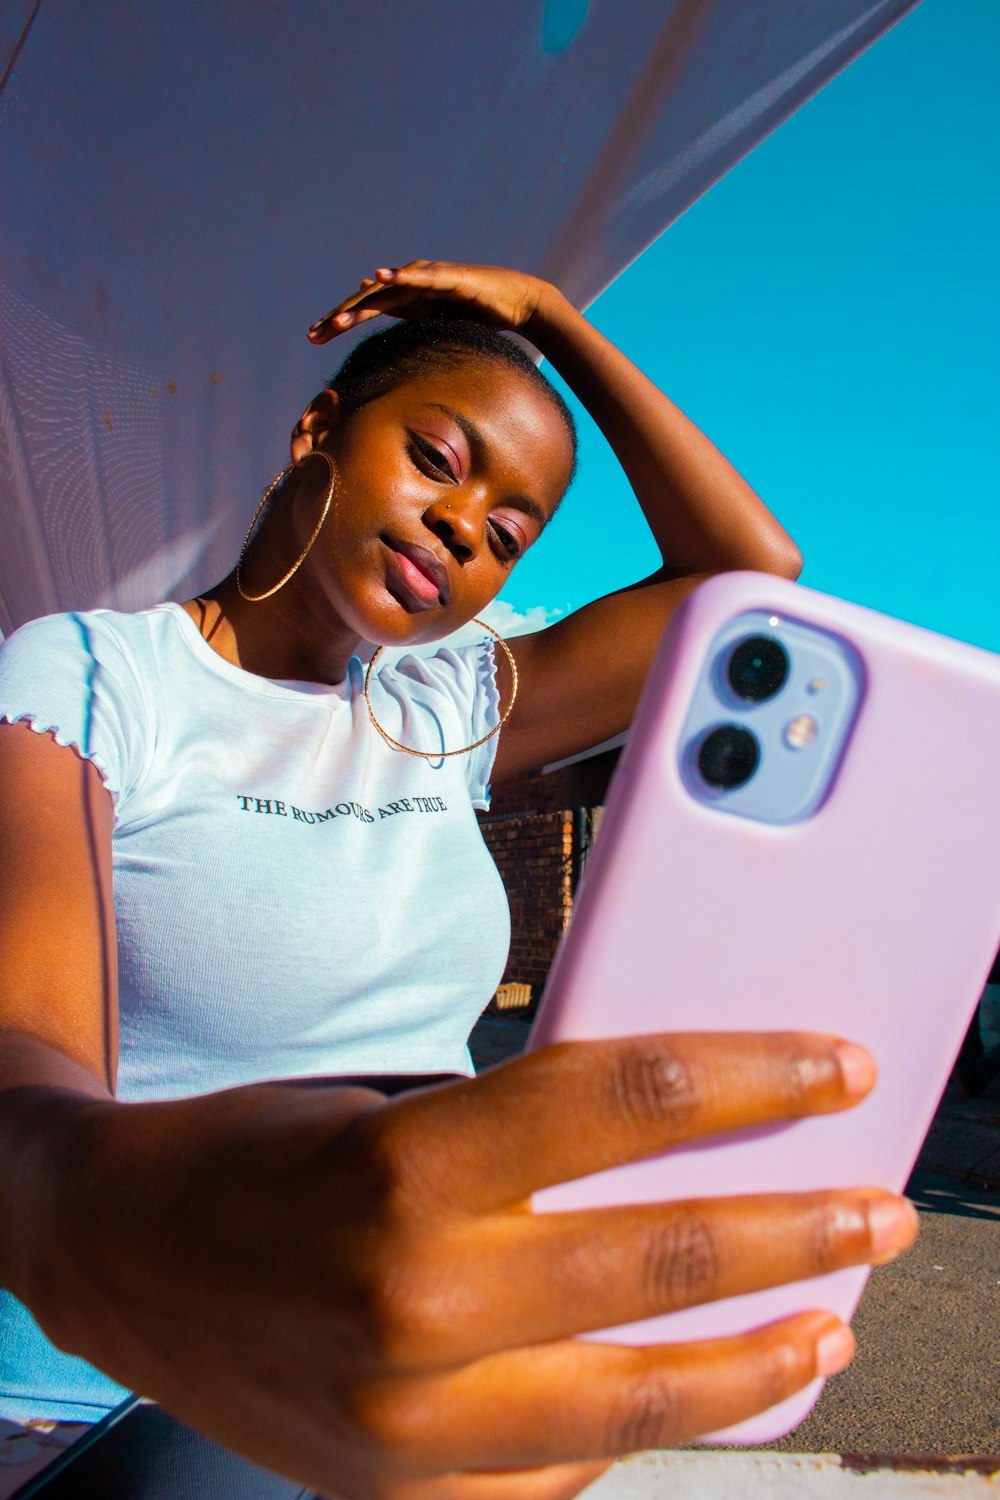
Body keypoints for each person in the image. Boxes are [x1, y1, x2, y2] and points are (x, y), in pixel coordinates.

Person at [0, 262, 918, 1498]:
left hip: (412, 1358)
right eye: (438, 459)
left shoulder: (447, 706)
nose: (461, 527)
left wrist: (549, 318)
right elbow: (23, 1047)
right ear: (319, 428)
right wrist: (87, 1218)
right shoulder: (97, 677)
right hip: (104, 1384)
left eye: (507, 534)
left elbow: (743, 577)